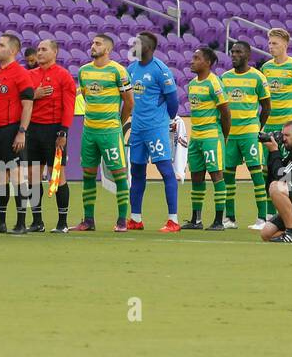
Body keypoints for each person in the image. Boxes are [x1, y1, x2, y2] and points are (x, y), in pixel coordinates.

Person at [73, 33, 133, 232]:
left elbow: (129, 102)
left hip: (110, 132)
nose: (93, 45)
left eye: (97, 43)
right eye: (92, 42)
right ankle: (88, 220)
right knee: (88, 174)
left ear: (107, 49)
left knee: (119, 175)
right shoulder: (84, 71)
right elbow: (87, 98)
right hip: (89, 131)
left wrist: (117, 123)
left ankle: (122, 220)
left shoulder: (118, 71)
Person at [125, 31, 180, 232]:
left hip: (155, 128)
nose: (133, 46)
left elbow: (173, 100)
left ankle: (173, 220)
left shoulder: (160, 69)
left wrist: (167, 119)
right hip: (137, 128)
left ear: (147, 47)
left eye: (137, 43)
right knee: (136, 170)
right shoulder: (131, 69)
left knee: (165, 170)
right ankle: (135, 219)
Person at [258, 28, 292, 227]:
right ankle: (269, 215)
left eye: (275, 44)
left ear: (285, 45)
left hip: (287, 128)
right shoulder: (266, 68)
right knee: (268, 169)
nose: (271, 47)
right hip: (270, 126)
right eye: (270, 43)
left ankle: (287, 214)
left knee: (285, 171)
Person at [24, 38, 77, 232]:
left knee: (57, 175)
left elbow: (68, 106)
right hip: (33, 130)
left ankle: (62, 222)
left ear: (55, 52)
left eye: (44, 49)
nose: (39, 53)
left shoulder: (63, 76)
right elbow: (22, 100)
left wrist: (64, 131)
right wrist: (34, 95)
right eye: (38, 49)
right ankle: (37, 221)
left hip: (54, 130)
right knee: (32, 175)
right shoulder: (29, 75)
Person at [0, 32, 35, 234]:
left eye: (1, 45)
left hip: (12, 129)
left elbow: (28, 106)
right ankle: (0, 221)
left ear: (13, 51)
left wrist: (22, 132)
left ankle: (21, 222)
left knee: (16, 175)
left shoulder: (21, 74)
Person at [219, 40, 271, 229]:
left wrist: (257, 128)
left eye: (238, 52)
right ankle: (230, 218)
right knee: (228, 176)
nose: (234, 55)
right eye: (232, 52)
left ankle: (262, 218)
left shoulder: (258, 77)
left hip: (249, 132)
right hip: (231, 134)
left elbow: (266, 107)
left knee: (257, 175)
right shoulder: (224, 78)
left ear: (248, 55)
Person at [181, 46, 230, 230]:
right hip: (196, 137)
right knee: (196, 177)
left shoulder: (214, 83)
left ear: (207, 62)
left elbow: (225, 112)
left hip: (211, 136)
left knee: (217, 175)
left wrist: (222, 136)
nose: (191, 61)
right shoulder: (193, 83)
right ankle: (196, 219)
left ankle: (219, 220)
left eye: (196, 58)